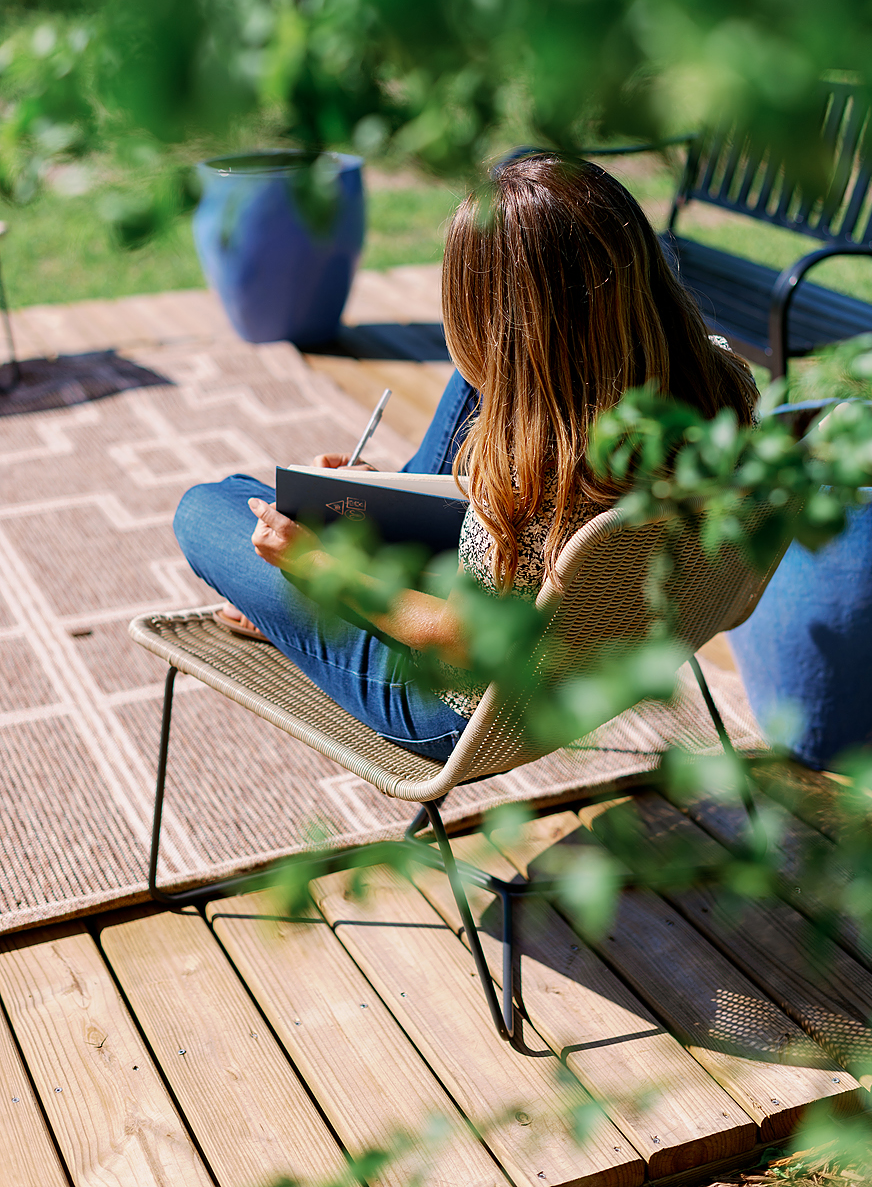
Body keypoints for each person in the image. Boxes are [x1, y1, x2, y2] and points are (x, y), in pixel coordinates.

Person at [173, 153, 758, 762]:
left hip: (453, 703)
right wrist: (390, 494)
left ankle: (293, 607)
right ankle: (364, 519)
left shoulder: (527, 470)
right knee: (470, 380)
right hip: (595, 622)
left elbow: (461, 640)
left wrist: (316, 564)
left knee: (207, 508)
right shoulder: (722, 380)